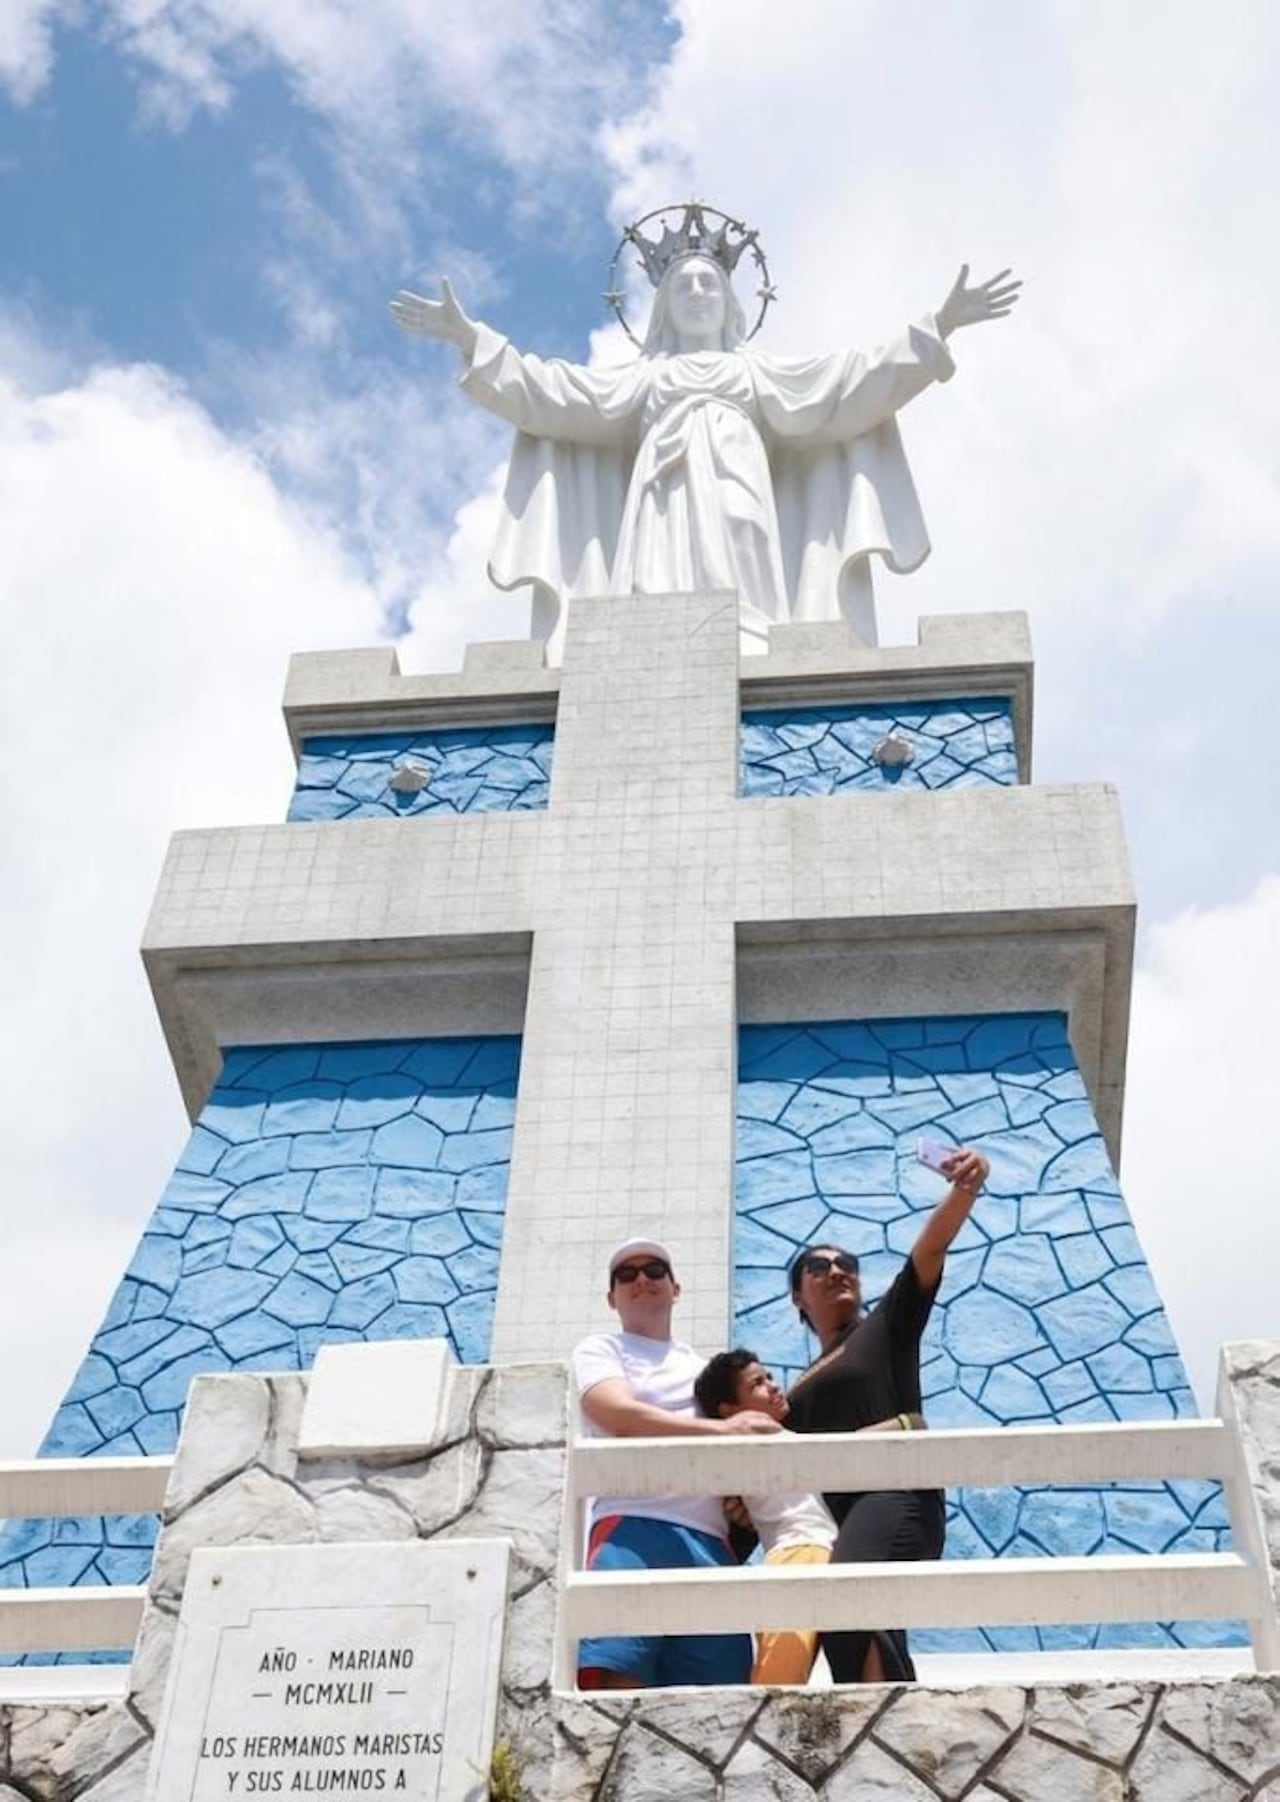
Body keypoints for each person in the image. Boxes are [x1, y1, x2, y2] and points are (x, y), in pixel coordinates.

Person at [391, 202, 1020, 658]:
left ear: (728, 300)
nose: (696, 293)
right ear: (664, 306)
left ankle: (747, 635)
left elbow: (850, 385)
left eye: (707, 283)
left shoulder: (754, 374)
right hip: (659, 491)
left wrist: (939, 325)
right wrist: (470, 338)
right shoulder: (645, 379)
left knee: (739, 550)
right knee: (657, 564)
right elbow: (553, 394)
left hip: (737, 481)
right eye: (683, 285)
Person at [784, 1143, 991, 1685]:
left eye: (845, 1264)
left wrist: (965, 1188)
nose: (836, 1271)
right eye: (818, 1266)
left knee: (848, 1594)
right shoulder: (794, 1390)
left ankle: (876, 1713)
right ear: (797, 1298)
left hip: (898, 1495)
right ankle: (889, 1724)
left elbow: (929, 1252)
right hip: (849, 1515)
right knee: (854, 1614)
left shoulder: (884, 1326)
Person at [571, 1237, 781, 1689]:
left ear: (676, 1288)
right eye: (626, 1275)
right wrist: (722, 1431)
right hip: (631, 1527)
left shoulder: (708, 1371)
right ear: (612, 1297)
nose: (642, 1279)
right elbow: (618, 1415)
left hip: (712, 1544)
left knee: (718, 1704)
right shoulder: (600, 1349)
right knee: (614, 1684)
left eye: (654, 1270)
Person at [694, 1348, 837, 1684]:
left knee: (785, 1673)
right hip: (799, 1553)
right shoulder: (754, 1431)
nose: (773, 1386)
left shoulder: (778, 1436)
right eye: (757, 1384)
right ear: (729, 1411)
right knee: (779, 1681)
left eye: (769, 1376)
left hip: (807, 1552)